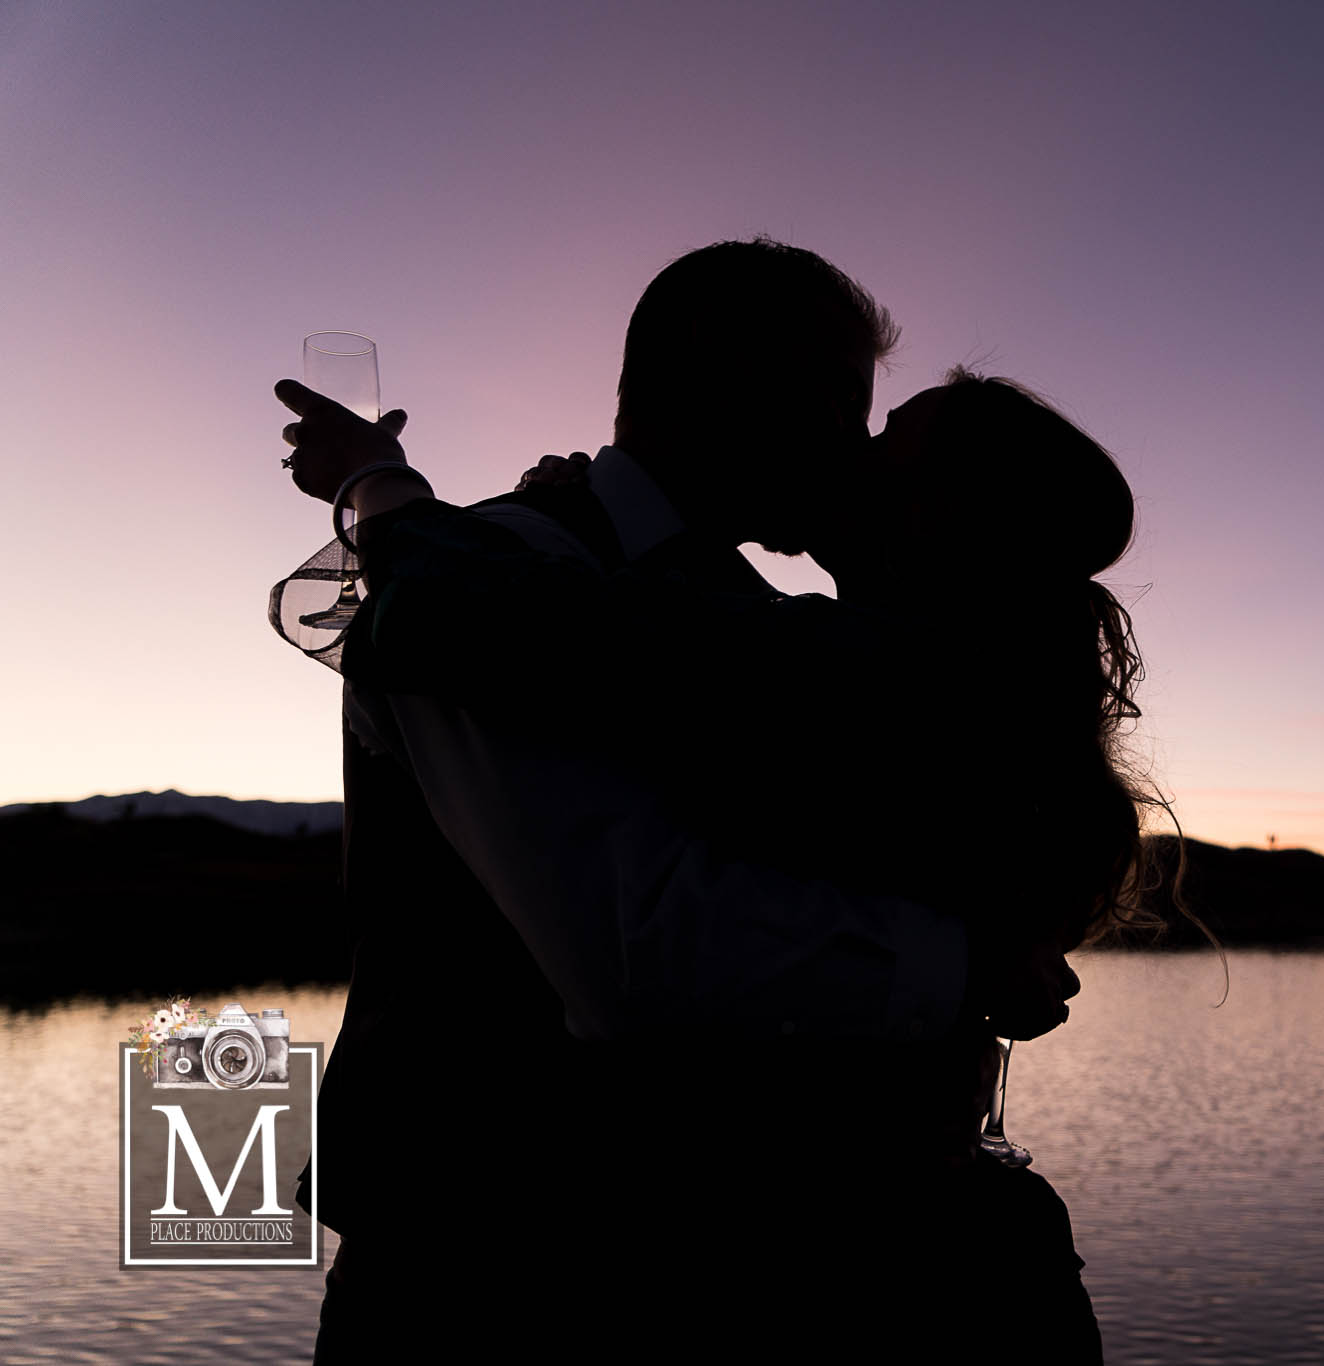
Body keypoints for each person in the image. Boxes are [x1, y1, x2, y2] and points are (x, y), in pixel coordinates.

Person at [275, 239, 1084, 1361]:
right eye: (846, 406)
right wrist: (967, 965)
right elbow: (633, 947)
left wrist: (381, 495)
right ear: (729, 383)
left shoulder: (741, 623)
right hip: (471, 1280)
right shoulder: (516, 566)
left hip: (692, 1279)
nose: (856, 448)